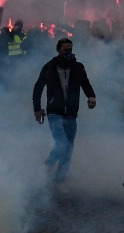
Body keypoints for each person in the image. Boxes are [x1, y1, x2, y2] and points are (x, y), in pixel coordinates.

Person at [33, 39, 96, 183]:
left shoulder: (78, 67)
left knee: (68, 151)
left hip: (71, 113)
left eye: (70, 49)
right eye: (65, 50)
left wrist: (91, 96)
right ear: (58, 50)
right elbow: (38, 88)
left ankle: (58, 182)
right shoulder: (49, 67)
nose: (68, 53)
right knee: (62, 144)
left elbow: (85, 83)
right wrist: (37, 109)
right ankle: (47, 165)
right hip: (54, 111)